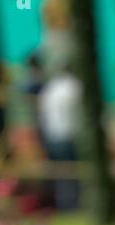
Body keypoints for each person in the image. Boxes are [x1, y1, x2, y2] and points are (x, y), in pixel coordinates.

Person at [38, 64, 82, 211]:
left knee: (61, 174)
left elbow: (43, 115)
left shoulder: (50, 88)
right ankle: (73, 205)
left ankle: (64, 204)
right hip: (68, 136)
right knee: (74, 172)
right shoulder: (74, 86)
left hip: (52, 137)